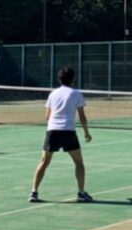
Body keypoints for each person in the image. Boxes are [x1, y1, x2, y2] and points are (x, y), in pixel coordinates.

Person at [29, 67, 93, 203]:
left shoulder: (53, 94)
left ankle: (34, 192)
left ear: (59, 79)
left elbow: (47, 116)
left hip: (52, 131)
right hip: (68, 131)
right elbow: (82, 116)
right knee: (79, 163)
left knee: (44, 162)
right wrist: (86, 132)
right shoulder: (76, 93)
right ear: (73, 79)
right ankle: (81, 193)